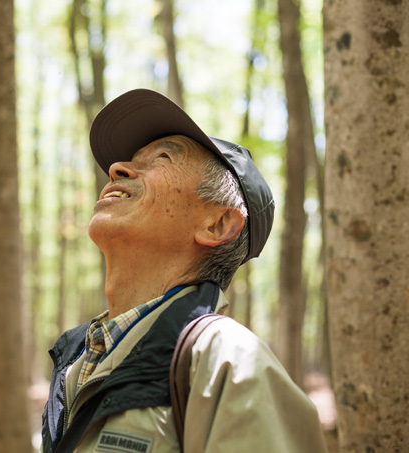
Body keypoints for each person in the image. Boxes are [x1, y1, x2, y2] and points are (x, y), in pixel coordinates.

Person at [41, 89, 328, 452]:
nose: (117, 168)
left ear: (218, 225)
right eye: (130, 159)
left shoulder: (230, 366)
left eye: (162, 158)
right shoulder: (79, 357)